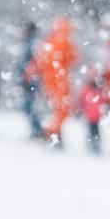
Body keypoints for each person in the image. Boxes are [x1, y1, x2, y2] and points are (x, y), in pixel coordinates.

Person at [35, 15, 78, 146]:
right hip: (60, 81)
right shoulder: (64, 42)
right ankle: (53, 135)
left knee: (56, 111)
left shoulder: (49, 41)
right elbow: (74, 58)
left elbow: (39, 61)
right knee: (61, 111)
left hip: (50, 82)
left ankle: (52, 135)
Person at [16, 21, 44, 140]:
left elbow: (33, 64)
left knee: (29, 107)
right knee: (29, 107)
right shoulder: (31, 42)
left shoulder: (32, 43)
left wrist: (28, 79)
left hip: (30, 81)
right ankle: (37, 130)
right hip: (30, 80)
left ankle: (37, 131)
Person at [77, 71, 108, 154]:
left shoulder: (90, 89)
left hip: (93, 116)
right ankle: (94, 144)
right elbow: (104, 101)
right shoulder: (97, 90)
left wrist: (81, 109)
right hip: (93, 116)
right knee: (94, 130)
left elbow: (81, 101)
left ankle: (94, 144)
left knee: (93, 130)